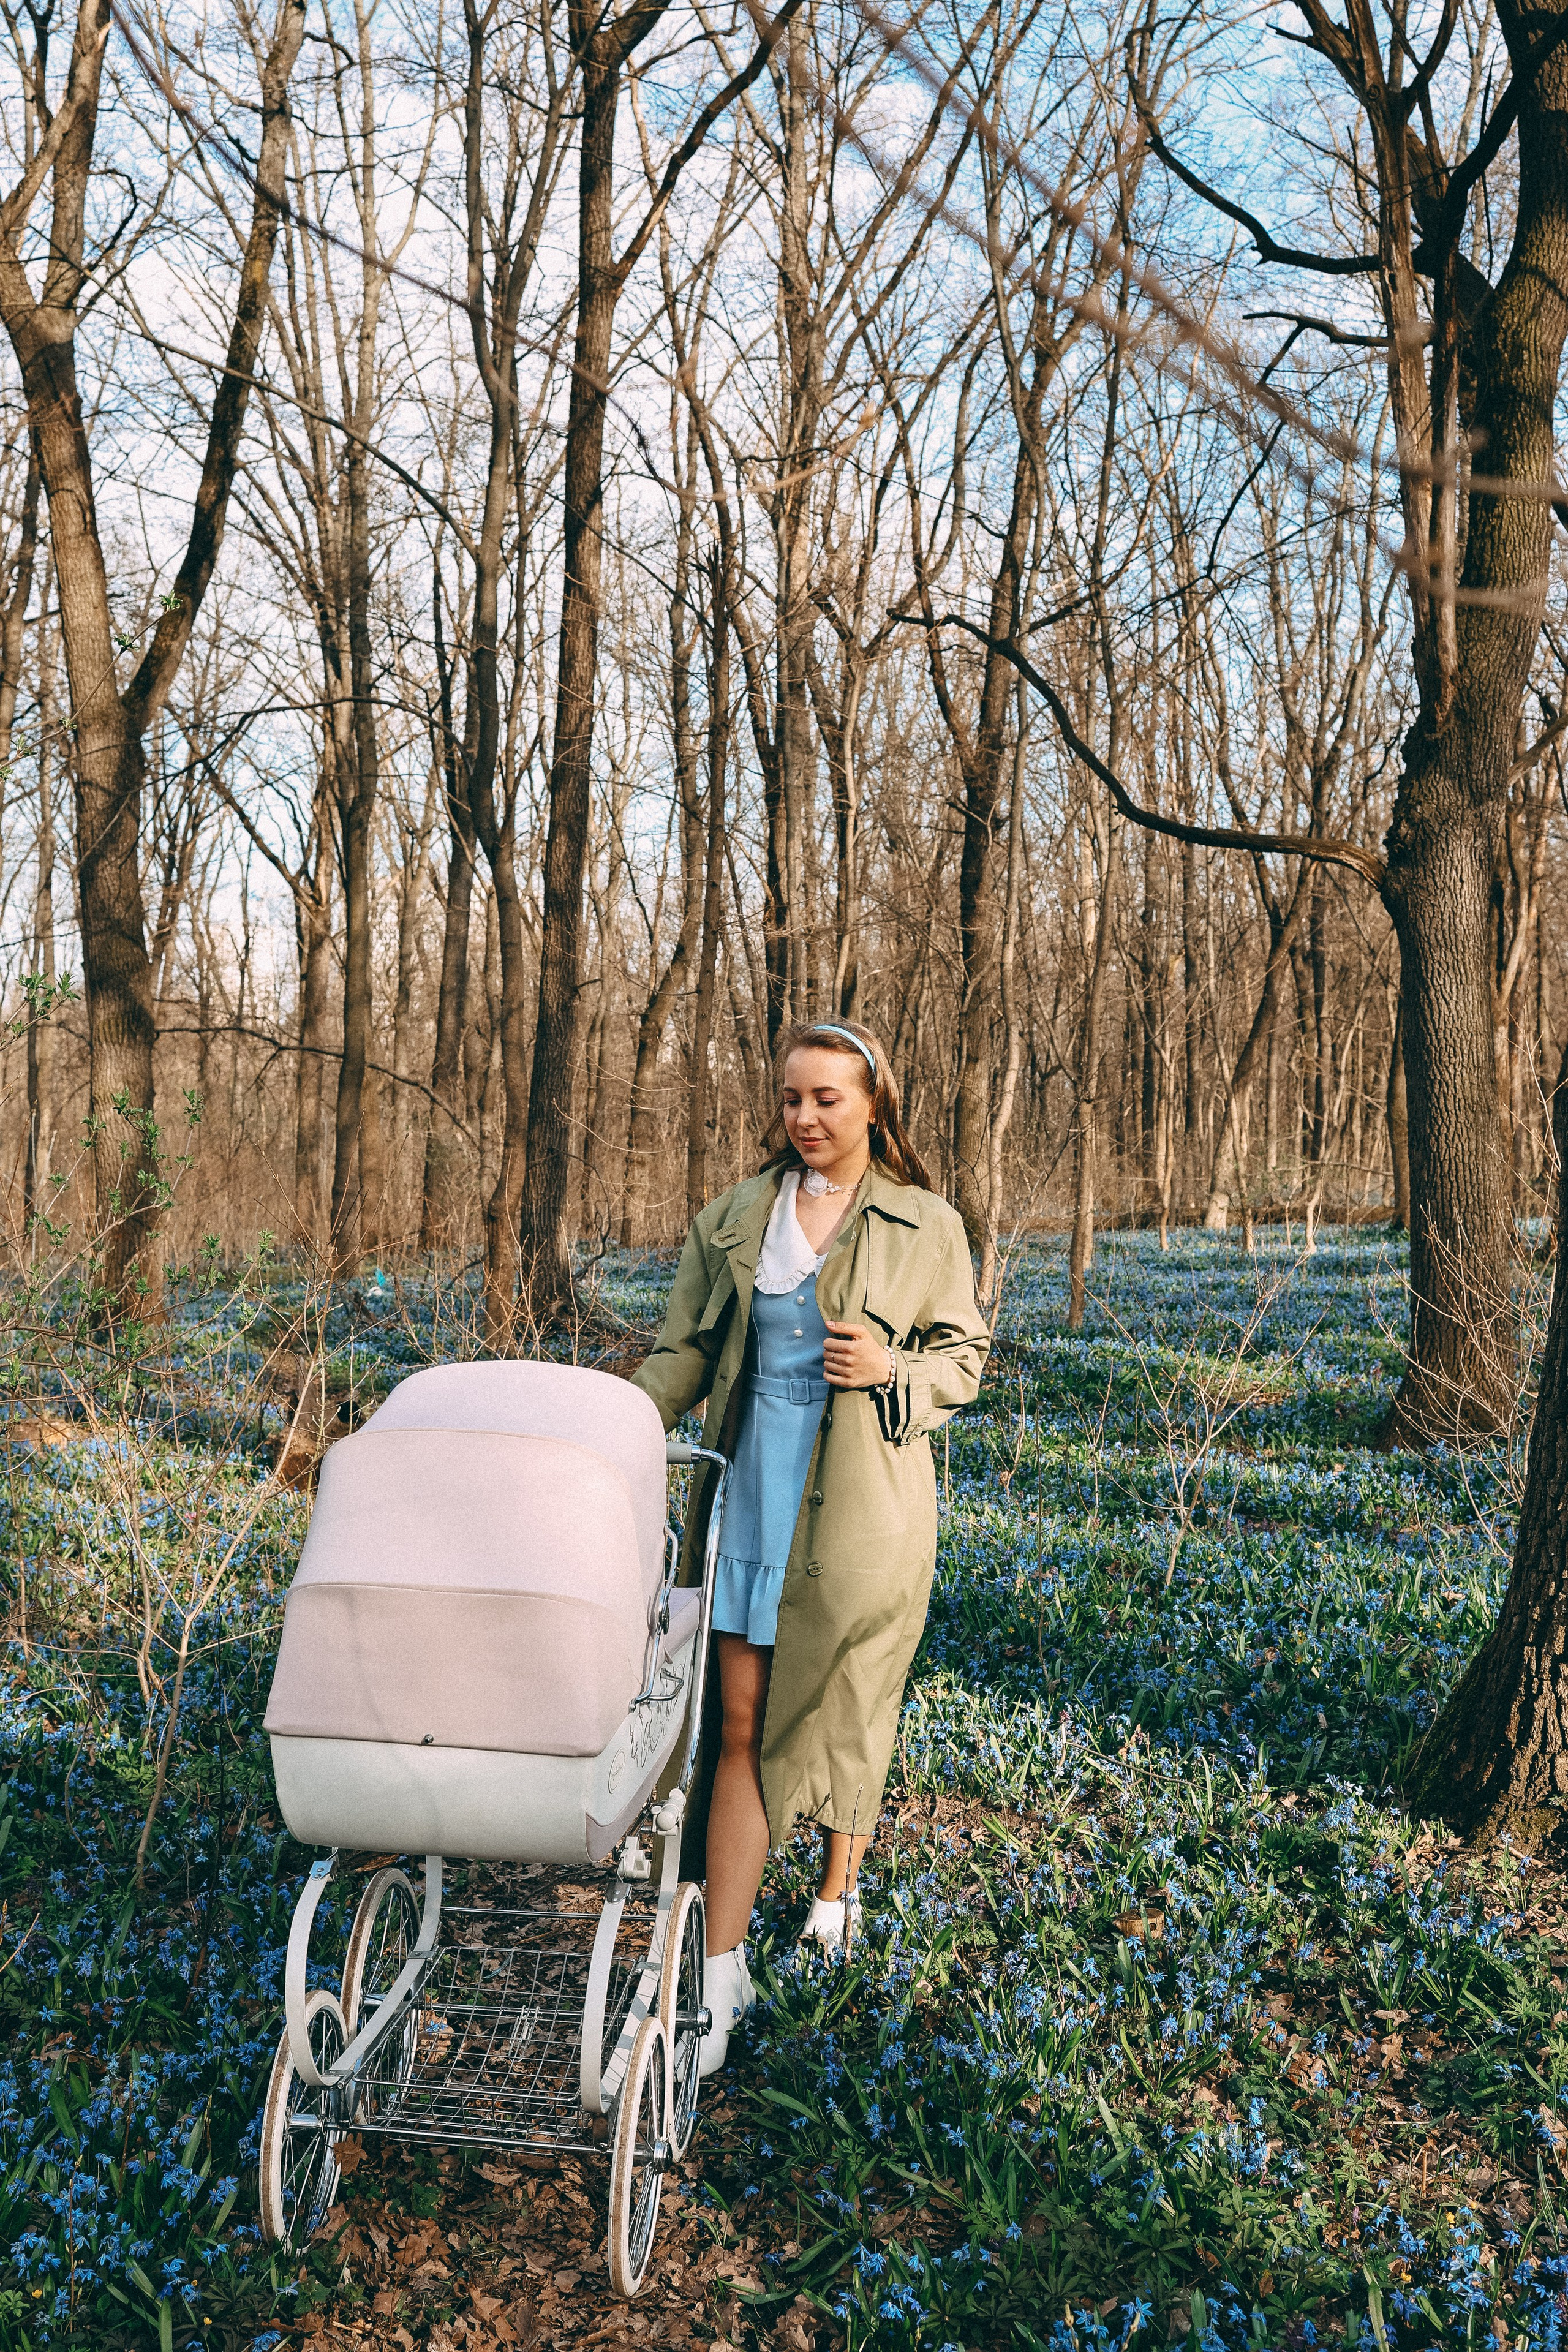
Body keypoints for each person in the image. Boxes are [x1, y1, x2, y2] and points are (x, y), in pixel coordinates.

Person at [632, 1019, 990, 2074]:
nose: (806, 1117)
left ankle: (838, 1887)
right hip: (749, 1495)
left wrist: (891, 1367)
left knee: (841, 1706)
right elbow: (682, 1355)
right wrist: (607, 1426)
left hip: (865, 1509)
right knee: (737, 1723)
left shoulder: (926, 1225)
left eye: (828, 1099)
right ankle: (724, 1973)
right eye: (792, 1098)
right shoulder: (739, 1216)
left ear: (873, 1104)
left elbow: (964, 1360)